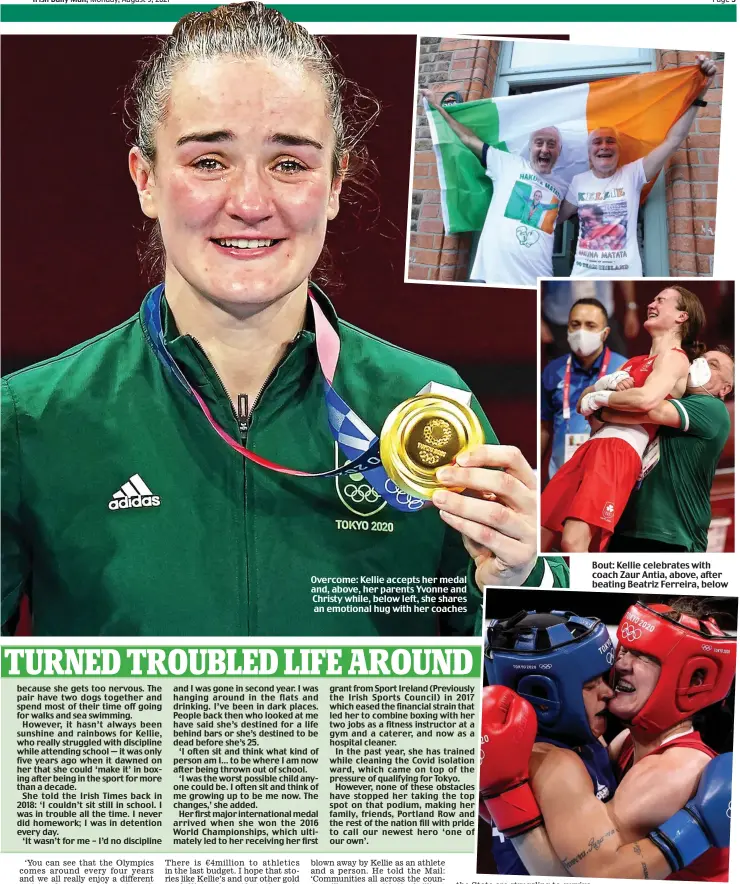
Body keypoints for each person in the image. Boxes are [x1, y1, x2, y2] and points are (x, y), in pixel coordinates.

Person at [0, 3, 567, 638]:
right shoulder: (29, 420)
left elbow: (507, 702)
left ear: (334, 182)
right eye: (209, 160)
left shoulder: (428, 410)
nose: (249, 203)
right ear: (147, 180)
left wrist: (519, 587)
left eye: (290, 163)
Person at [480, 599, 735, 879]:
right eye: (624, 650)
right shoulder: (625, 741)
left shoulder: (674, 770)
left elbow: (595, 873)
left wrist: (697, 828)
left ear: (692, 679)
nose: (621, 663)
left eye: (643, 656)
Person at [540, 285, 704, 552]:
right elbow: (589, 412)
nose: (651, 304)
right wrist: (598, 394)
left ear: (681, 317)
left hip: (619, 450)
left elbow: (644, 400)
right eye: (653, 299)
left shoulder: (675, 359)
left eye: (661, 301)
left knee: (574, 542)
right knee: (542, 535)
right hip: (589, 447)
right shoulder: (632, 362)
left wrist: (599, 398)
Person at [481, 609, 618, 875]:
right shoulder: (549, 764)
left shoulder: (588, 740)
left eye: (604, 678)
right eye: (591, 685)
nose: (608, 692)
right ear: (541, 693)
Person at [559, 55, 717, 277]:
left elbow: (673, 142)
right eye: (597, 142)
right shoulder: (578, 181)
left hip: (627, 280)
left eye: (610, 141)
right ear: (589, 152)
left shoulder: (632, 173)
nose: (604, 146)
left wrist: (700, 90)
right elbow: (556, 219)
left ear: (618, 149)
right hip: (582, 279)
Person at [421, 88, 567, 286]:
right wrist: (439, 107)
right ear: (530, 146)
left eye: (552, 144)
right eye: (539, 143)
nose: (544, 149)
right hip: (491, 277)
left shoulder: (564, 186)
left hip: (538, 281)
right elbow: (468, 139)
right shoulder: (507, 163)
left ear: (559, 150)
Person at [603, 348, 734, 552]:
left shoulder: (712, 408)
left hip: (674, 534)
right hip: (629, 526)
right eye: (701, 359)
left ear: (725, 389)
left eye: (714, 365)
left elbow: (648, 409)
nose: (701, 364)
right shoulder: (676, 399)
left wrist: (600, 403)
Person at [541, 298, 628, 480]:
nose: (581, 332)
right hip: (561, 474)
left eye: (590, 325)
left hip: (606, 474)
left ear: (605, 334)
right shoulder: (553, 370)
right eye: (575, 324)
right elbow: (543, 429)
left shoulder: (623, 369)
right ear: (567, 329)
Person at [541, 279, 640, 361]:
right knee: (562, 376)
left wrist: (631, 308)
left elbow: (624, 274)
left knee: (621, 369)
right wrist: (539, 322)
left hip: (603, 316)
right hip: (561, 321)